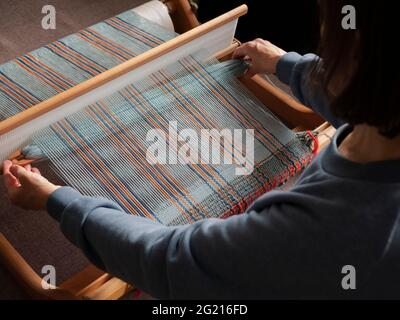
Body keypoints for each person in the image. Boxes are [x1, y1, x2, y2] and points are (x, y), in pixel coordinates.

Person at [3, 1, 400, 299]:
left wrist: (57, 200)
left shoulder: (325, 230)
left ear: (360, 55)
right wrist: (288, 66)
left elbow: (172, 260)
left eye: (333, 35)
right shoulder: (384, 126)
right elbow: (366, 99)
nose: (325, 39)